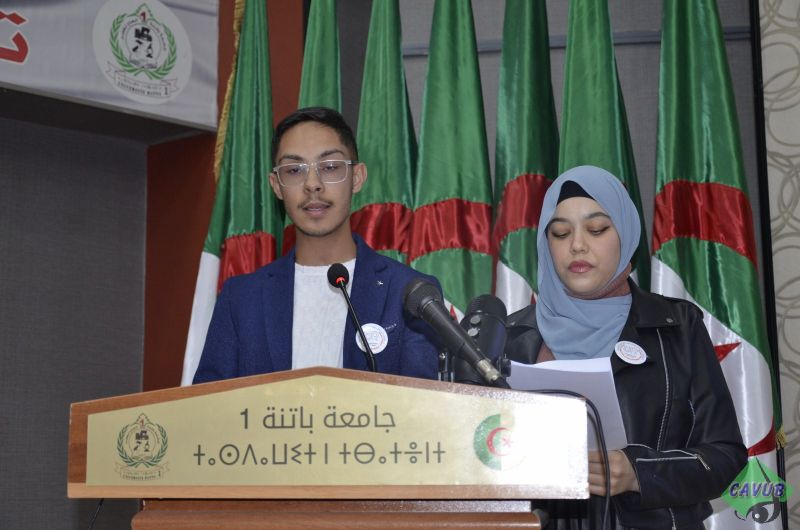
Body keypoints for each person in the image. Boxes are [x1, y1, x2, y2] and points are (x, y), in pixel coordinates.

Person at [505, 166, 747, 529]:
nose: (577, 245)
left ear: (625, 233)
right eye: (560, 233)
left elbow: (725, 456)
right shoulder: (510, 336)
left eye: (597, 229)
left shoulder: (676, 326)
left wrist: (639, 472)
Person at [193, 107, 440, 383]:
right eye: (294, 170)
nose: (313, 184)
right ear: (276, 185)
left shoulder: (408, 292)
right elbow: (210, 403)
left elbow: (422, 401)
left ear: (357, 177)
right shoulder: (241, 298)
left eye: (330, 167)